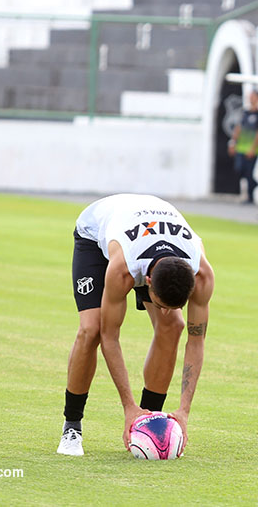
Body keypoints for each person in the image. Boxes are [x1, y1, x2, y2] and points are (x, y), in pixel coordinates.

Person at [57, 193, 214, 456]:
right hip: (96, 231)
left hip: (151, 224)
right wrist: (128, 405)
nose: (163, 310)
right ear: (147, 282)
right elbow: (110, 337)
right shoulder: (124, 268)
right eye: (161, 304)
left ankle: (149, 422)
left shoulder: (202, 274)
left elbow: (196, 341)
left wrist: (184, 410)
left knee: (173, 325)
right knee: (91, 329)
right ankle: (72, 425)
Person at [229, 90, 258, 204]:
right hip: (241, 147)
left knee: (249, 172)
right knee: (239, 169)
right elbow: (238, 128)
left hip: (251, 149)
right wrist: (233, 142)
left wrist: (253, 148)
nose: (251, 98)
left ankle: (250, 197)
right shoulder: (245, 113)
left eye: (253, 96)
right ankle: (254, 184)